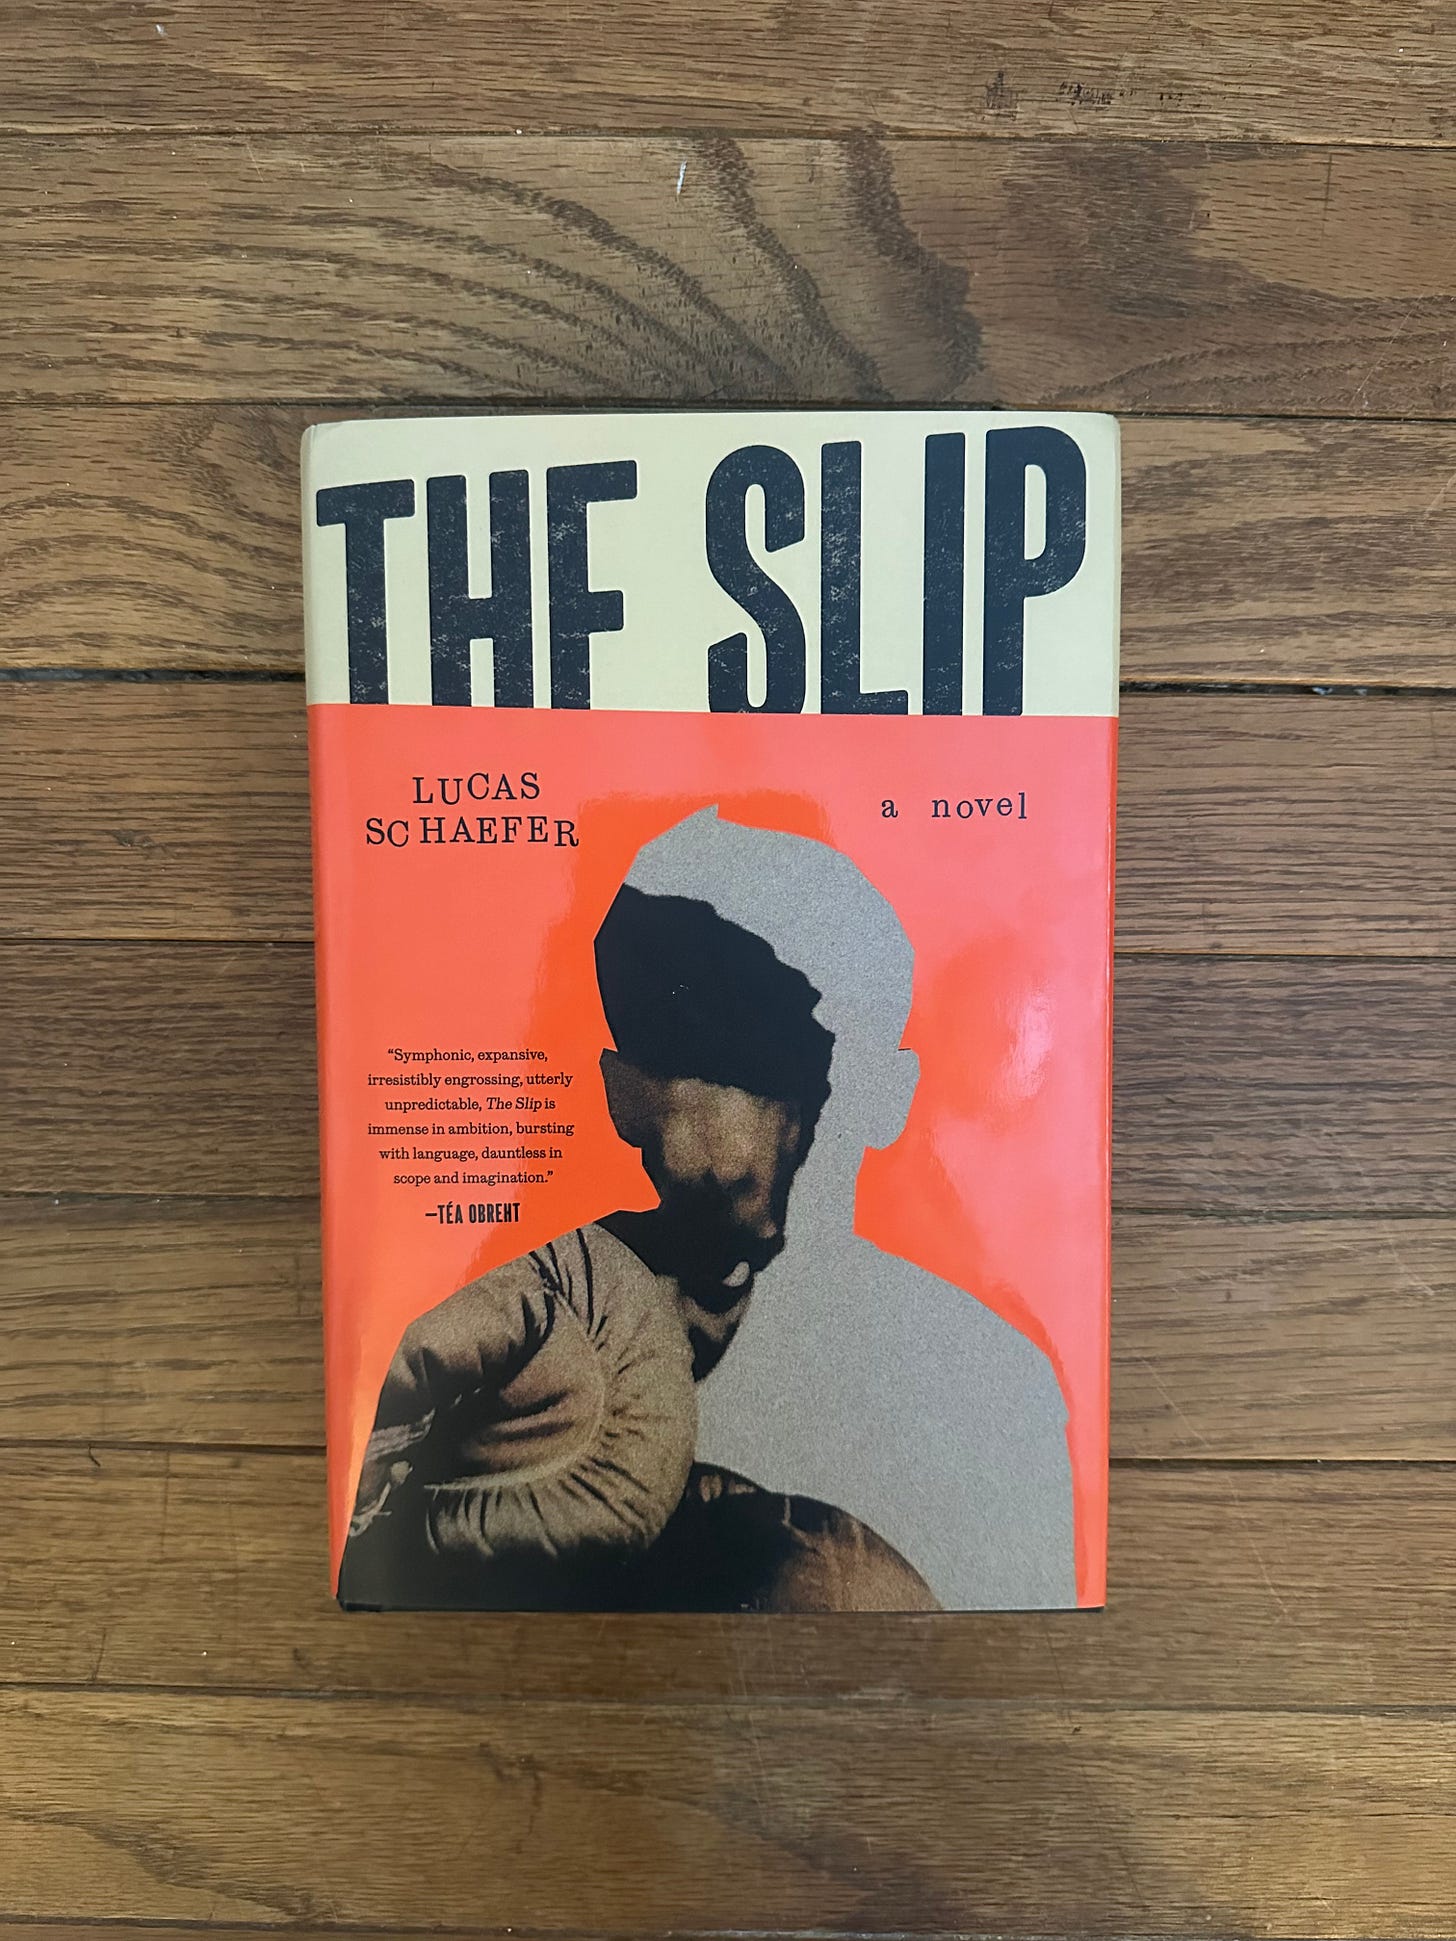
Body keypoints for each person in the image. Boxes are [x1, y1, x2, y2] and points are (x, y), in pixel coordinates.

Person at [340, 809, 1072, 1610]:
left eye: (776, 1062)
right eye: (681, 1040)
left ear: (886, 1096)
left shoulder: (991, 1394)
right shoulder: (518, 1316)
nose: (734, 1134)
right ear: (617, 1087)